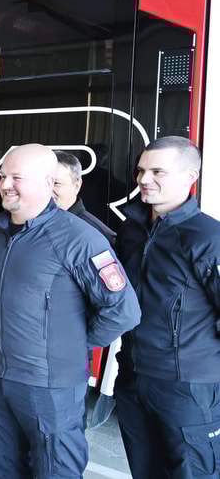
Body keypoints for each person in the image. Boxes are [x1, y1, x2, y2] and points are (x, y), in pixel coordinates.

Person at [0, 144, 140, 479]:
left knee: (56, 470)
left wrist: (71, 345)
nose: (5, 184)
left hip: (50, 386)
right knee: (2, 467)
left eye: (17, 177)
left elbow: (123, 311)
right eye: (3, 175)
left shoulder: (79, 238)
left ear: (48, 183)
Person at [114, 136, 220, 478]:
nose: (144, 179)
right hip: (132, 377)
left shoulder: (209, 237)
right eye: (141, 170)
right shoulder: (131, 230)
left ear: (190, 177)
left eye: (158, 171)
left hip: (188, 388)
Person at [53, 151, 116, 246]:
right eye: (43, 183)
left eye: (56, 183)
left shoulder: (98, 235)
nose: (47, 190)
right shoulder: (33, 221)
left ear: (76, 186)